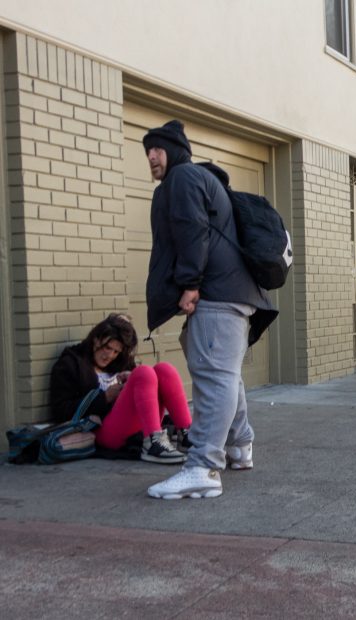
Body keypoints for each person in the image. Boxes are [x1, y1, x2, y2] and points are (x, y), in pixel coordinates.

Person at [142, 120, 278, 500]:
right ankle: (239, 446)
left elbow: (191, 230)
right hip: (230, 291)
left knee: (213, 379)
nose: (151, 156)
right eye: (146, 150)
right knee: (226, 375)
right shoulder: (199, 179)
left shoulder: (183, 178)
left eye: (157, 148)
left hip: (215, 293)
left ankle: (201, 466)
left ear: (174, 150)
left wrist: (189, 284)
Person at [48, 314, 191, 463]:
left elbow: (142, 390)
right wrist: (105, 397)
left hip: (138, 425)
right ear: (95, 339)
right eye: (107, 347)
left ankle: (187, 436)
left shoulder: (120, 362)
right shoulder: (70, 364)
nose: (109, 355)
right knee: (144, 372)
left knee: (164, 369)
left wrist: (131, 378)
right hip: (101, 431)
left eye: (115, 351)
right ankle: (152, 444)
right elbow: (60, 412)